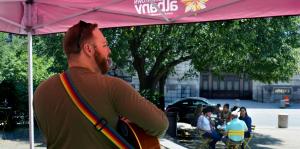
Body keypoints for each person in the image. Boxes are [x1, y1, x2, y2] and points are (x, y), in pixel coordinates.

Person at [33, 21, 169, 149]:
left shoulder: (41, 91)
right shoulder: (112, 87)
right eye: (104, 45)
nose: (109, 51)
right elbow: (160, 124)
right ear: (88, 49)